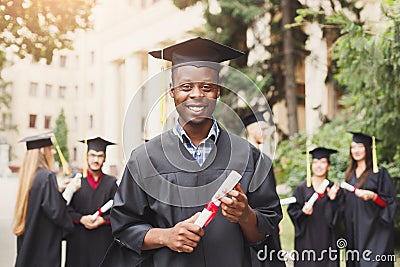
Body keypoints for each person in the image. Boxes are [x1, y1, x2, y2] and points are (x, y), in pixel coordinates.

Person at [101, 37, 283, 267]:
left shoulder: (251, 158)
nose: (196, 94)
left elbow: (266, 233)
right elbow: (124, 226)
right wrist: (165, 236)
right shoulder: (144, 160)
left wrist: (245, 214)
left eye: (206, 87)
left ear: (218, 91)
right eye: (186, 87)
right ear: (172, 91)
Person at [14, 134, 74, 267]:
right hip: (44, 251)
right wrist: (70, 190)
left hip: (29, 248)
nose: (53, 152)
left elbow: (41, 201)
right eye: (50, 148)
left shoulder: (29, 177)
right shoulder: (47, 177)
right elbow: (57, 212)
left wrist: (57, 189)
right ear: (42, 151)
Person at [343, 132, 396, 267]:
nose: (356, 151)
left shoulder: (379, 173)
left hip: (374, 231)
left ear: (368, 149)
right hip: (354, 231)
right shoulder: (349, 175)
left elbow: (389, 202)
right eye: (353, 147)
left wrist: (373, 196)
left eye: (360, 147)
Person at [65, 137, 118, 267]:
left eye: (100, 156)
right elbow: (64, 209)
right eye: (92, 155)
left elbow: (119, 212)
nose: (96, 160)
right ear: (86, 157)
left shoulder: (112, 183)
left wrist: (103, 220)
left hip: (103, 242)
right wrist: (81, 218)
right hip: (78, 242)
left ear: (105, 158)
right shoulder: (75, 182)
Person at [287, 147, 341, 267]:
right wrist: (303, 212)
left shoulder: (333, 188)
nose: (319, 165)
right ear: (311, 165)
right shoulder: (301, 188)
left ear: (329, 166)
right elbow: (292, 211)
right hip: (307, 240)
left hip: (328, 240)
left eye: (323, 162)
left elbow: (338, 218)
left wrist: (333, 201)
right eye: (315, 162)